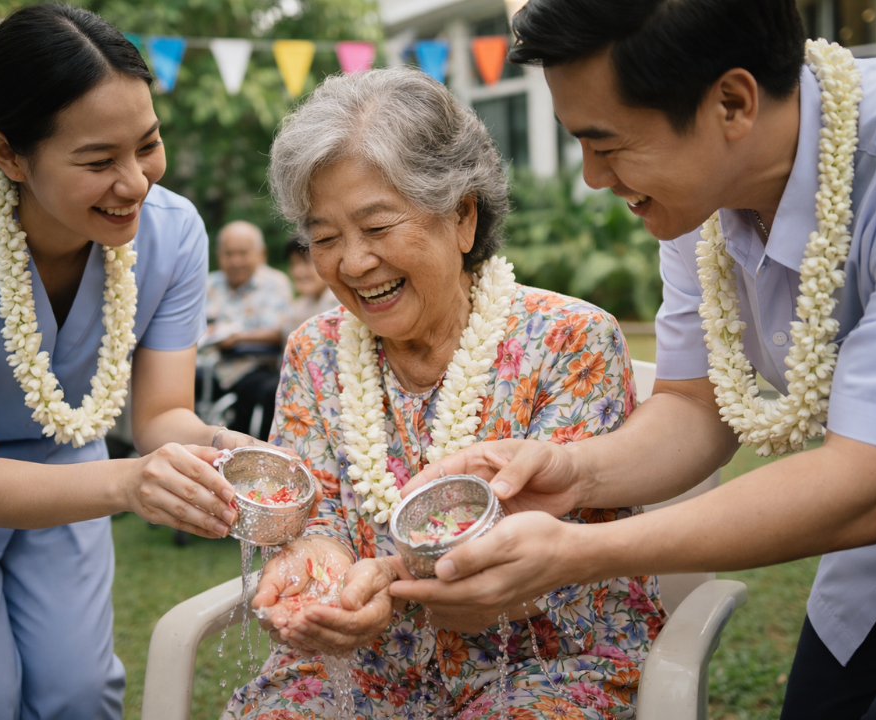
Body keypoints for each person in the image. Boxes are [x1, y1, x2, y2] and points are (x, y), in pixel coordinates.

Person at [390, 2, 876, 718]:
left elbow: (870, 482)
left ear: (732, 102)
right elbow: (694, 405)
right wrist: (572, 473)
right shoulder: (699, 192)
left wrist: (576, 554)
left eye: (607, 144)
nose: (591, 176)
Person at [0, 6, 281, 718]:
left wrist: (226, 448)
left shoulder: (173, 234)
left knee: (79, 692)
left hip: (70, 466)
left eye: (147, 145)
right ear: (9, 154)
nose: (136, 182)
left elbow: (158, 417)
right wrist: (132, 484)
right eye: (98, 161)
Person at [223, 67, 664, 720]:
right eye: (323, 238)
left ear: (462, 216)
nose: (351, 263)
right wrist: (317, 561)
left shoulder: (569, 341)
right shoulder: (314, 352)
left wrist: (389, 584)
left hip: (539, 659)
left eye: (376, 227)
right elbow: (313, 514)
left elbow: (539, 557)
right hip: (363, 666)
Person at [199, 221, 292, 438]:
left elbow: (277, 331)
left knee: (262, 391)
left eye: (243, 253)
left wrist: (236, 338)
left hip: (252, 366)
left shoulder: (275, 283)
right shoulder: (209, 284)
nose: (235, 261)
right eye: (229, 254)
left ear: (261, 254)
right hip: (207, 367)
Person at [281, 233, 338, 339]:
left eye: (307, 262)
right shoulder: (299, 306)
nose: (298, 271)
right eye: (293, 263)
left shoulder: (340, 303)